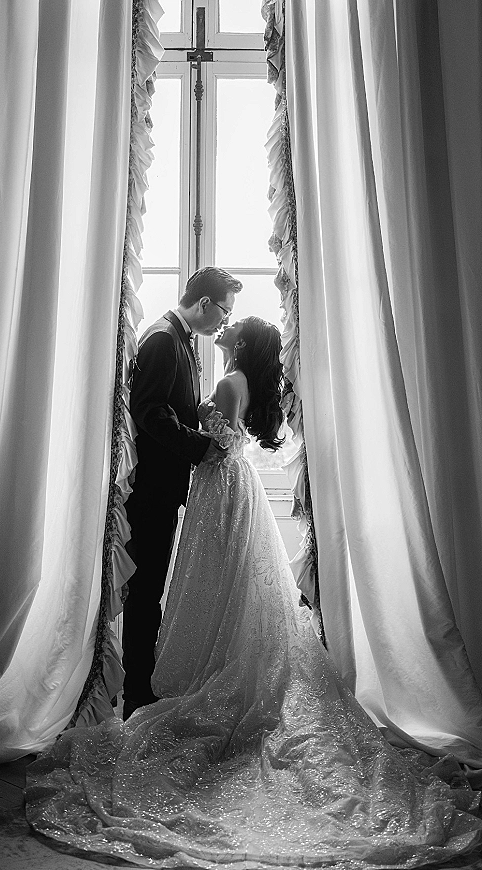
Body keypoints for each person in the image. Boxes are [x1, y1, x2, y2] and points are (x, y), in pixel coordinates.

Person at [26, 317, 482, 868]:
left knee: (214, 581)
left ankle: (209, 667)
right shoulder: (244, 381)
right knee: (233, 586)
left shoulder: (227, 383)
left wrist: (191, 430)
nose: (222, 333)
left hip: (220, 484)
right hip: (235, 483)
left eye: (230, 329)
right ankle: (222, 654)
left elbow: (217, 442)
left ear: (240, 343)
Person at [121, 266, 242, 720]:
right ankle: (136, 695)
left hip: (165, 487)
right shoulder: (161, 339)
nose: (225, 323)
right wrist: (201, 446)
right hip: (150, 491)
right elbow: (150, 411)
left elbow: (175, 406)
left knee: (152, 588)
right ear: (205, 303)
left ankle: (143, 687)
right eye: (224, 312)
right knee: (146, 589)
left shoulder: (180, 338)